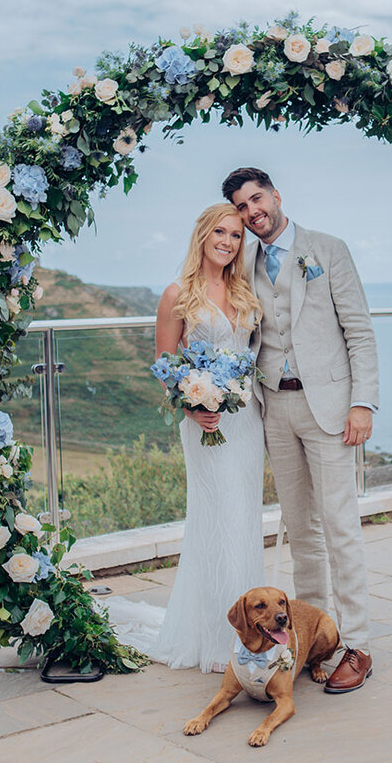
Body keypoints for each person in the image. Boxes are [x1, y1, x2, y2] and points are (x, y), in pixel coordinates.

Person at [223, 167, 380, 693]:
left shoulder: (327, 249)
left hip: (331, 409)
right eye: (242, 208)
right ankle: (315, 642)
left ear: (275, 196)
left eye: (257, 199)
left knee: (339, 526)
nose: (251, 213)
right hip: (276, 408)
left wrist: (362, 404)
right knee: (301, 530)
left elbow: (359, 330)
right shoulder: (241, 262)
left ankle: (357, 644)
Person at [105, 203, 267, 673]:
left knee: (244, 520)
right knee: (214, 519)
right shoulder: (178, 293)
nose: (228, 241)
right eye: (220, 231)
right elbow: (164, 364)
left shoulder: (243, 289)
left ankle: (250, 633)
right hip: (205, 423)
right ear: (202, 235)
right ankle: (213, 638)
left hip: (246, 419)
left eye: (237, 235)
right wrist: (194, 406)